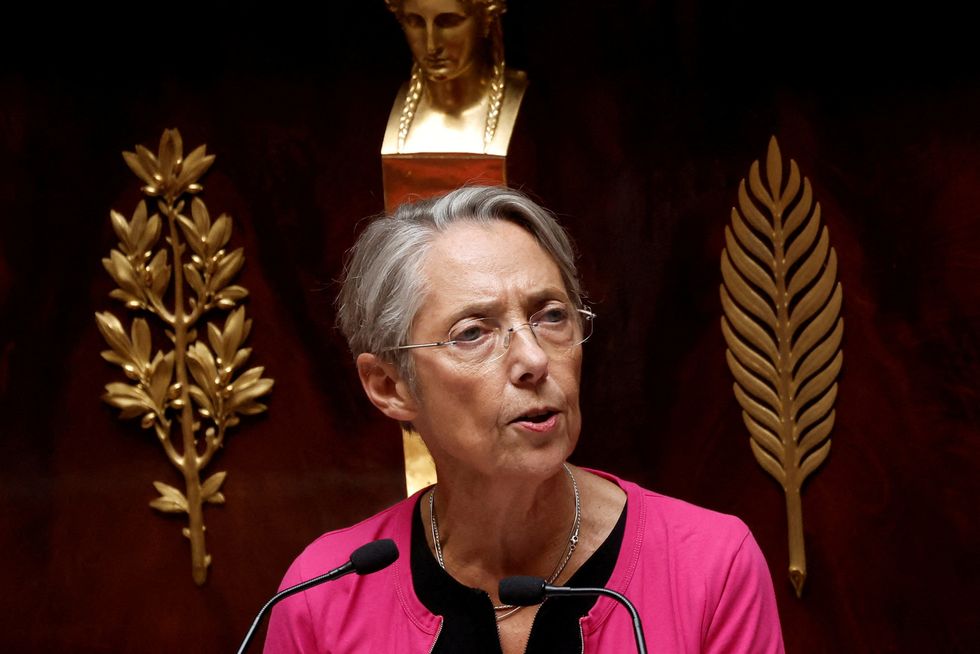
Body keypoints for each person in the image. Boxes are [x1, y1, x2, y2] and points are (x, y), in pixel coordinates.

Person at [264, 186, 784, 653]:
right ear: (389, 385)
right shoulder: (325, 594)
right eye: (473, 333)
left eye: (551, 315)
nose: (534, 360)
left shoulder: (710, 566)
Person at [380, 0, 528, 155]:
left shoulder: (519, 103)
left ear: (486, 19)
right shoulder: (390, 107)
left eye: (448, 21)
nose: (431, 46)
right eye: (415, 21)